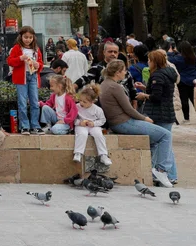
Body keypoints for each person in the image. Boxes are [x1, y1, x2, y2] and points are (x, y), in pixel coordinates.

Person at [99, 59, 175, 187]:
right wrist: (144, 119)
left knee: (155, 141)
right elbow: (128, 109)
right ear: (118, 72)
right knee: (165, 135)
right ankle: (161, 170)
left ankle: (152, 171)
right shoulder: (115, 87)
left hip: (116, 122)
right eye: (124, 70)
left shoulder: (104, 84)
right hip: (124, 122)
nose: (125, 73)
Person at [138, 50, 179, 183]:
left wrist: (144, 95)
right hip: (167, 112)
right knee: (166, 145)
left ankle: (168, 175)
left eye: (150, 60)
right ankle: (168, 175)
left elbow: (157, 96)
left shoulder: (157, 75)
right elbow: (162, 91)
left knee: (163, 144)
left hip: (159, 113)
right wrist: (146, 88)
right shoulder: (168, 73)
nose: (148, 63)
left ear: (154, 62)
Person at [8, 26, 44, 135]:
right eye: (25, 37)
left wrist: (38, 65)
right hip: (21, 78)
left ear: (33, 38)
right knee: (22, 102)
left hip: (33, 76)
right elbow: (10, 61)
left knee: (34, 102)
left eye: (30, 37)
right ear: (21, 37)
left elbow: (41, 63)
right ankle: (24, 126)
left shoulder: (36, 49)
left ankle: (35, 125)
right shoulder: (16, 48)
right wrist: (20, 58)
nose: (28, 39)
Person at [73, 84, 110, 165]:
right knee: (82, 134)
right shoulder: (76, 107)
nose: (81, 103)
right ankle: (78, 153)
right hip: (81, 125)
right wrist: (79, 122)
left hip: (93, 126)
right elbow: (72, 119)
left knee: (98, 134)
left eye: (84, 102)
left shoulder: (97, 109)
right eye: (80, 100)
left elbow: (102, 120)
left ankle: (103, 155)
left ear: (92, 102)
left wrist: (94, 123)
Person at [169, 41, 196, 124]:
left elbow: (170, 60)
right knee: (195, 99)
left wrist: (170, 52)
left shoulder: (179, 58)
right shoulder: (194, 57)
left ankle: (187, 119)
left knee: (184, 100)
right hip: (193, 80)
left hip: (183, 82)